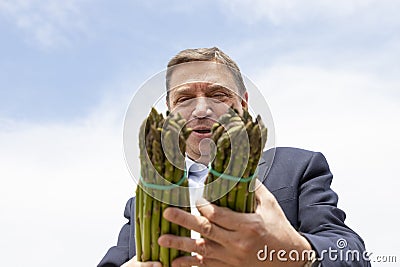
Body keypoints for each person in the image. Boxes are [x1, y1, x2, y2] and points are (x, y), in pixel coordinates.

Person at [98, 47, 370, 267]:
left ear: (243, 103)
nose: (202, 109)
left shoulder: (297, 168)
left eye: (218, 95)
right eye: (184, 99)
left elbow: (352, 253)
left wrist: (297, 254)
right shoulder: (141, 201)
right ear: (169, 112)